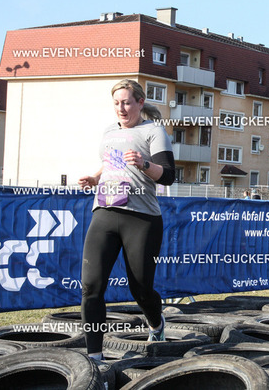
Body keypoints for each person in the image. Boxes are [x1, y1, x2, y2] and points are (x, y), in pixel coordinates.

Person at [78, 79, 175, 360]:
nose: (121, 108)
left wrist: (144, 164)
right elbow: (109, 163)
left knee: (141, 290)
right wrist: (95, 177)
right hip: (104, 212)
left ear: (140, 103)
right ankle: (95, 358)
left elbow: (168, 175)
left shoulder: (153, 131)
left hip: (141, 218)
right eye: (117, 103)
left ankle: (156, 323)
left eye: (127, 103)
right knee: (91, 288)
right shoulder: (110, 131)